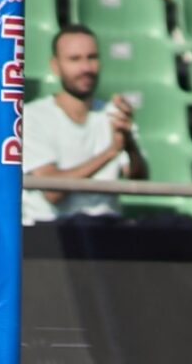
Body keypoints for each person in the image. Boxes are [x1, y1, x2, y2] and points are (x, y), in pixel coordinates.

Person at [21, 25, 147, 225]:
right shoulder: (32, 116)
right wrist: (110, 153)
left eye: (92, 57)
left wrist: (129, 143)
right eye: (75, 59)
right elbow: (52, 191)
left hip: (107, 226)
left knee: (180, 227)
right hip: (52, 231)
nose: (86, 68)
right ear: (55, 65)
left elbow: (138, 180)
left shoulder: (114, 113)